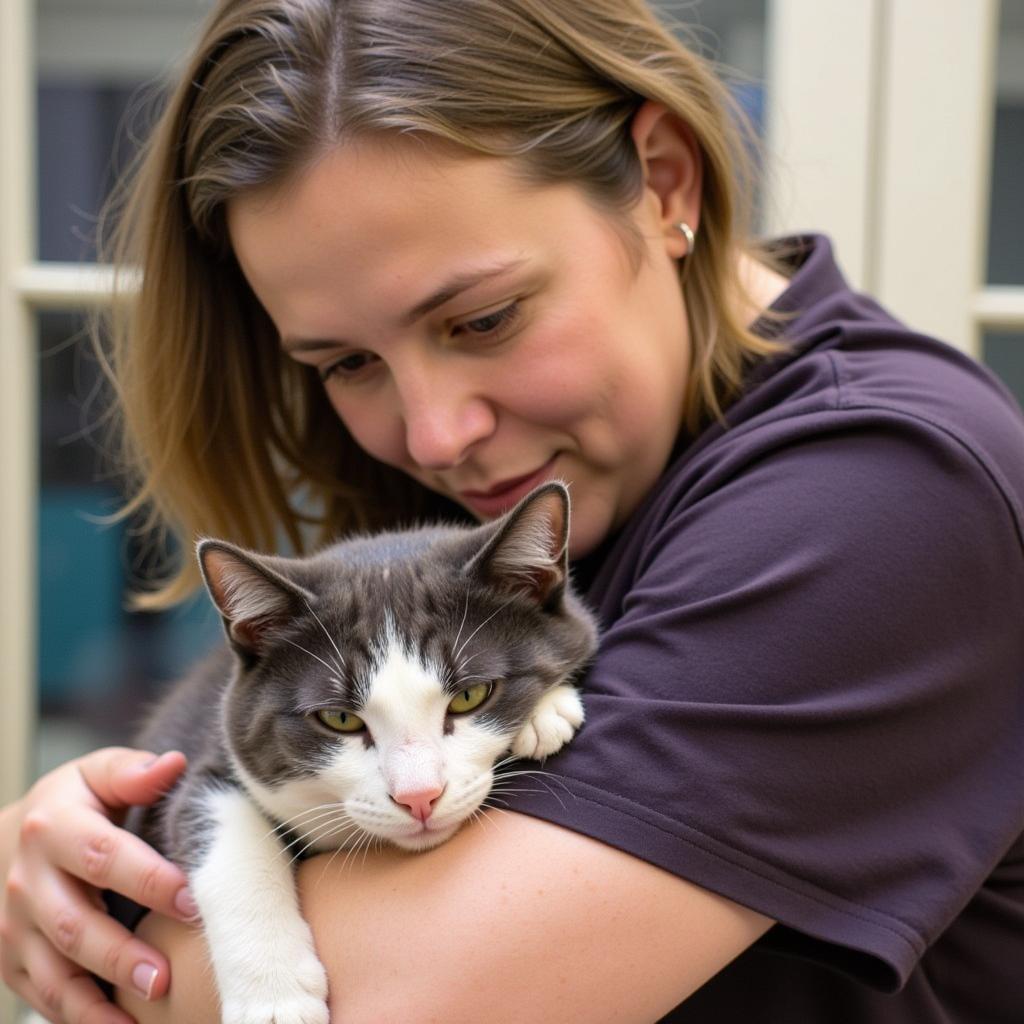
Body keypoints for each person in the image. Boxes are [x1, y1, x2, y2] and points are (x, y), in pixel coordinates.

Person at [2, 0, 1022, 1021]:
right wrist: (81, 852)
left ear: (666, 181)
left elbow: (405, 1004)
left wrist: (117, 918)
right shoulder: (521, 478)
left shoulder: (874, 496)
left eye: (483, 318)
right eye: (346, 362)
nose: (434, 435)